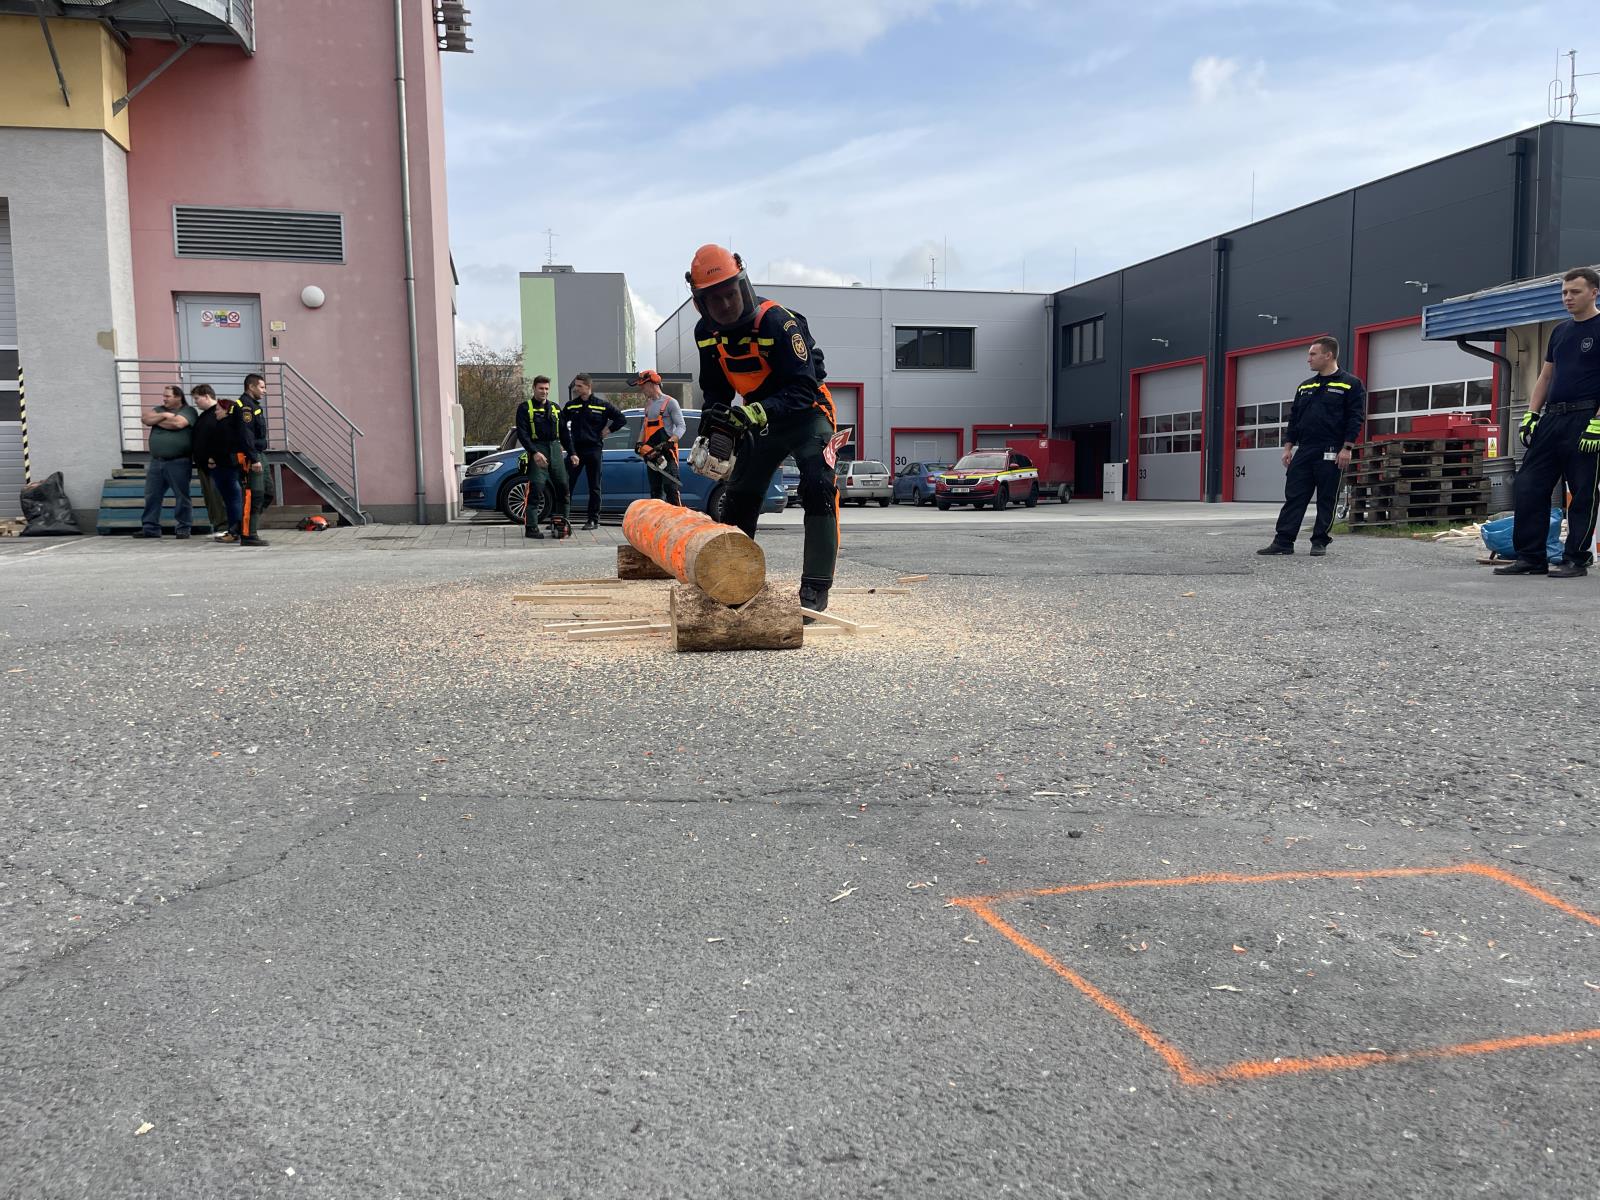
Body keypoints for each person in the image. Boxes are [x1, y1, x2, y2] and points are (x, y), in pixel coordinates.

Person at [687, 245, 840, 613]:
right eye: (715, 299)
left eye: (730, 293)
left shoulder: (778, 322)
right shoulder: (706, 333)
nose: (726, 304)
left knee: (818, 483)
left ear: (743, 285)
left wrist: (756, 412)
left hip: (807, 412)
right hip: (759, 417)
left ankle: (815, 586)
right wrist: (715, 423)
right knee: (738, 495)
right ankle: (733, 581)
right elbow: (716, 389)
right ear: (701, 303)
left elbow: (802, 387)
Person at [1494, 267, 1600, 579]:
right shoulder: (1560, 331)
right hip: (1552, 418)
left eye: (1575, 292)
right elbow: (1546, 375)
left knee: (1582, 491)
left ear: (1594, 292)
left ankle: (1576, 558)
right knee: (1529, 484)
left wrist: (1598, 421)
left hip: (1586, 418)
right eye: (1564, 292)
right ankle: (1531, 557)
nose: (1567, 297)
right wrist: (1532, 413)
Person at [1257, 336, 1364, 557]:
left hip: (1332, 450)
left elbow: (1356, 417)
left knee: (1327, 497)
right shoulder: (1306, 386)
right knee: (1294, 496)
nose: (1308, 359)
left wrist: (1347, 448)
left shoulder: (1350, 384)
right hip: (1305, 450)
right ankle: (1283, 542)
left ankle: (1319, 541)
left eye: (1313, 354)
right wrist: (1288, 447)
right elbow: (1295, 418)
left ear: (1328, 355)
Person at [192, 391, 268, 547]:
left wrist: (212, 458)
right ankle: (237, 527)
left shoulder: (226, 426)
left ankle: (236, 529)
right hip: (223, 467)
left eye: (218, 409)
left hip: (226, 467)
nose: (216, 412)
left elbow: (224, 447)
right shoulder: (223, 424)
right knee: (232, 499)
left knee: (234, 499)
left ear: (227, 410)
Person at [561, 372, 626, 530]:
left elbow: (621, 419)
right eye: (576, 386)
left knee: (594, 487)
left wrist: (608, 430)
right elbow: (561, 425)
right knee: (566, 485)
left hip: (593, 450)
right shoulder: (571, 405)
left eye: (579, 386)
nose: (576, 389)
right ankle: (562, 518)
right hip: (575, 451)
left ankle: (592, 520)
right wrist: (568, 446)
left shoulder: (602, 405)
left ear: (588, 386)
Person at [135, 384, 199, 539]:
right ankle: (150, 528)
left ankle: (183, 528)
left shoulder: (188, 411)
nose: (164, 399)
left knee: (181, 496)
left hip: (178, 461)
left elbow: (177, 424)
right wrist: (164, 415)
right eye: (164, 396)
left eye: (167, 396)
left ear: (178, 397)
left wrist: (155, 421)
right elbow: (145, 419)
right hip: (157, 461)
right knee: (152, 495)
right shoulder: (160, 409)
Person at [516, 374, 572, 539]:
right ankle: (531, 528)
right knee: (536, 489)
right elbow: (522, 434)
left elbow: (564, 433)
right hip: (537, 449)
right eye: (541, 388)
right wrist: (534, 452)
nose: (544, 391)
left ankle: (562, 524)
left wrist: (573, 453)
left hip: (555, 449)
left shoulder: (555, 408)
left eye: (547, 388)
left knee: (563, 488)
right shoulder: (525, 408)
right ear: (534, 388)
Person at [633, 368, 685, 505]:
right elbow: (644, 427)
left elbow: (681, 426)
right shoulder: (648, 405)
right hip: (652, 454)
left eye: (643, 386)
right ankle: (659, 518)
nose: (642, 390)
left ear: (651, 384)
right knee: (655, 492)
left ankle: (677, 516)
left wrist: (670, 442)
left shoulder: (670, 402)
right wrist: (639, 443)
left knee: (671, 489)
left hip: (668, 454)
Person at [189, 385, 231, 539]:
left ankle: (224, 526)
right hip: (204, 465)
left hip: (215, 465)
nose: (195, 402)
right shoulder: (204, 416)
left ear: (207, 396)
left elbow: (221, 437)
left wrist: (214, 457)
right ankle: (218, 525)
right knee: (210, 498)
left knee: (217, 497)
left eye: (197, 398)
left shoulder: (217, 413)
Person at [238, 373, 271, 520]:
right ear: (251, 387)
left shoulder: (254, 405)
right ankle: (248, 530)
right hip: (251, 456)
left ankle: (248, 524)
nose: (265, 391)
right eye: (262, 387)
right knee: (255, 495)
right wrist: (253, 459)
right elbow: (246, 435)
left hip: (259, 453)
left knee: (268, 492)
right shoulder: (245, 407)